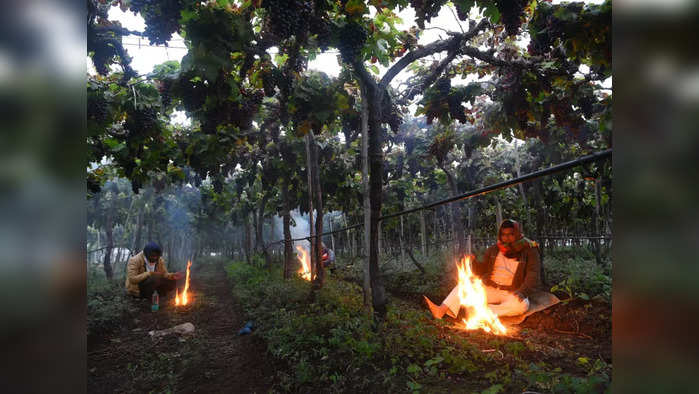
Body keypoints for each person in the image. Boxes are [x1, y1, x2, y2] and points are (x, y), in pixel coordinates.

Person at [423, 219, 542, 318]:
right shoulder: (494, 249)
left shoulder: (529, 250)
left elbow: (533, 274)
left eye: (511, 234)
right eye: (504, 234)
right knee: (463, 287)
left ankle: (483, 313)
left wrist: (523, 292)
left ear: (517, 233)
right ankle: (441, 310)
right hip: (491, 288)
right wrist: (473, 262)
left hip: (512, 291)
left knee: (521, 306)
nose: (507, 238)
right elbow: (482, 270)